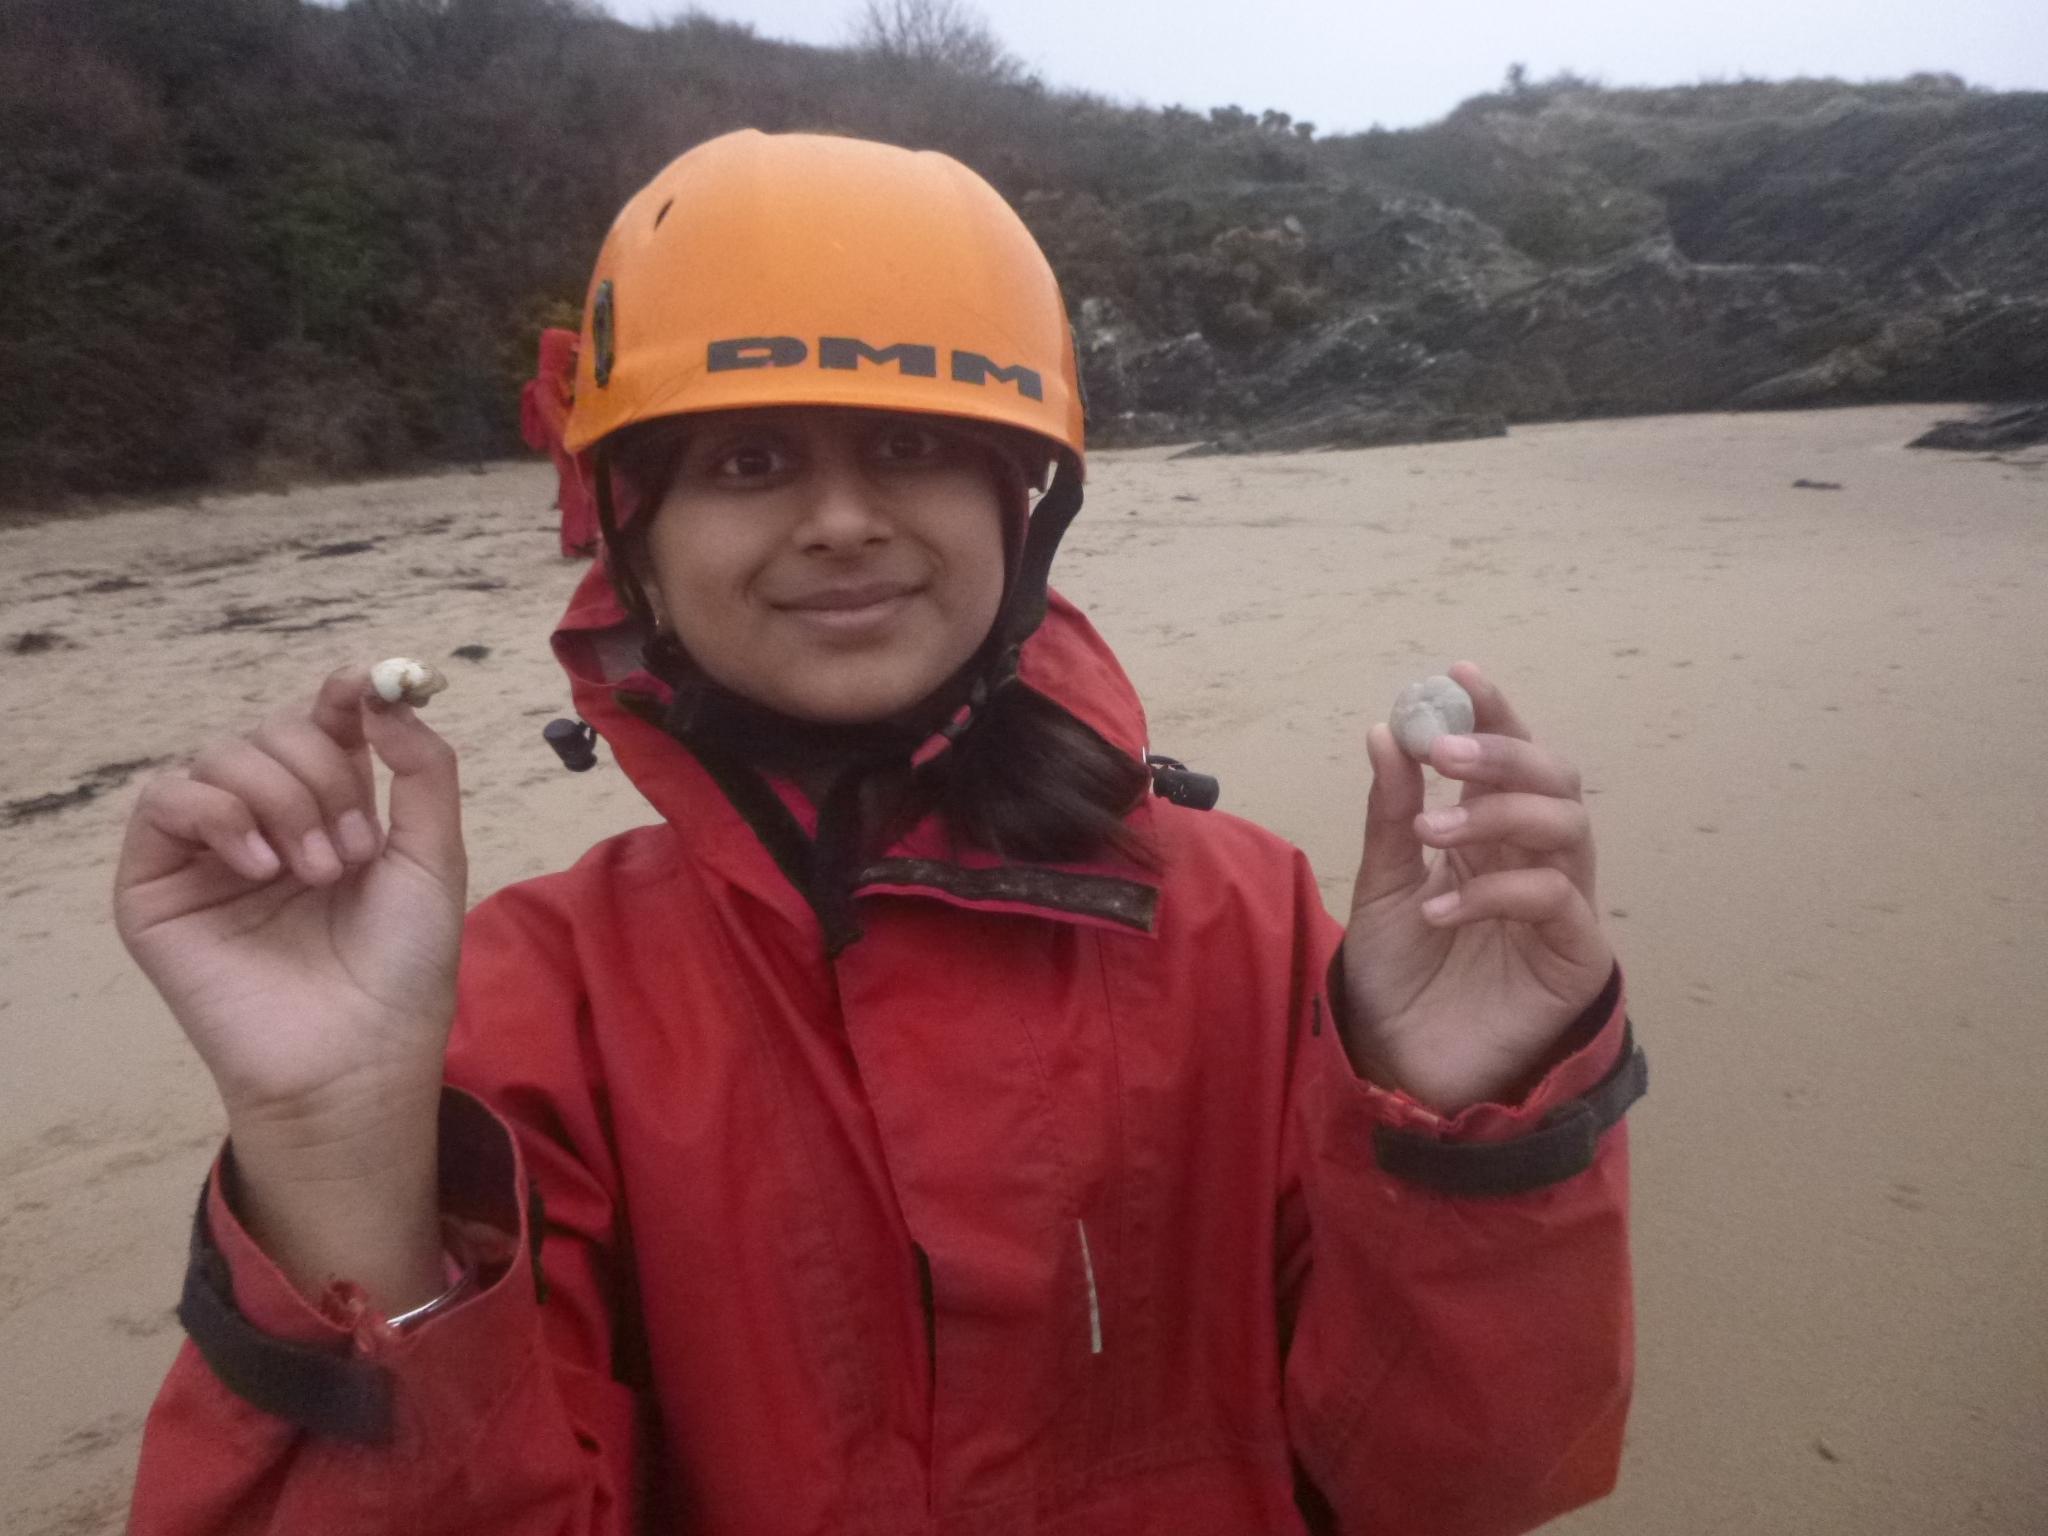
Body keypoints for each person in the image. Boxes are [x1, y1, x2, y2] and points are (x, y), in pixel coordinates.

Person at [116, 130, 1644, 1536]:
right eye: (751, 460)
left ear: (1018, 507)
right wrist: (335, 1158)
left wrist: (1467, 1129)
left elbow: (1459, 1484)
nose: (842, 518)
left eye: (909, 446)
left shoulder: (1245, 926)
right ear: (633, 537)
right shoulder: (531, 1007)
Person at [519, 326, 599, 558]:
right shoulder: (546, 385)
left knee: (587, 487)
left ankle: (587, 537)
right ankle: (574, 542)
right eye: (571, 354)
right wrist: (573, 439)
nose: (575, 359)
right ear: (558, 354)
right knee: (575, 491)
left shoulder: (565, 380)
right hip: (567, 446)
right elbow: (554, 418)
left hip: (576, 442)